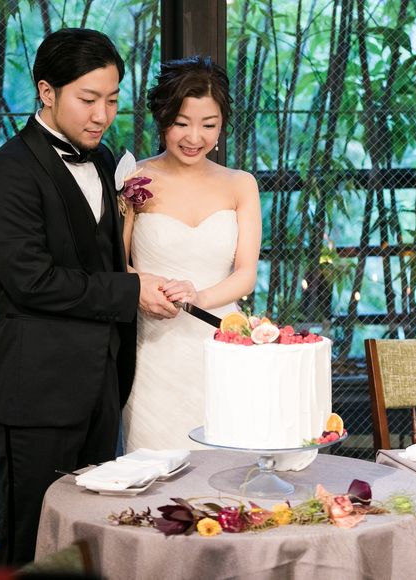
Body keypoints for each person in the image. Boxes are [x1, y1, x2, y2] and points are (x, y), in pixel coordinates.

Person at [0, 28, 177, 567]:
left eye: (111, 100)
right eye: (88, 99)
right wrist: (130, 290)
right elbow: (32, 281)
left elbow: (101, 259)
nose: (102, 115)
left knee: (91, 542)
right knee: (34, 544)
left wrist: (142, 278)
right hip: (36, 394)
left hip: (101, 385)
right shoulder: (7, 171)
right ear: (46, 91)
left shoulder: (106, 160)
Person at [122, 56, 262, 451]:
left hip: (221, 343)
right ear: (162, 118)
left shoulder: (241, 184)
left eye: (209, 125)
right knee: (154, 466)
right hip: (152, 351)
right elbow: (115, 263)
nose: (194, 137)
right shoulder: (134, 180)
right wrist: (143, 286)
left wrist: (198, 296)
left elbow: (245, 273)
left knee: (226, 462)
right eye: (182, 123)